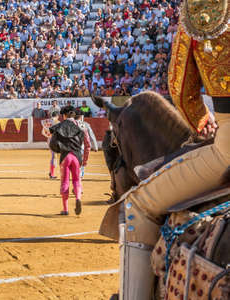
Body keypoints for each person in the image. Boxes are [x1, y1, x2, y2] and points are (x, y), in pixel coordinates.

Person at [99, 2, 230, 299]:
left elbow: (181, 88)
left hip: (227, 147)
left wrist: (201, 122)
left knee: (137, 207)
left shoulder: (205, 9)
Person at [49, 106, 86, 216]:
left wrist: (59, 150)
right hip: (77, 156)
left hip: (65, 156)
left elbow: (52, 144)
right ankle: (78, 197)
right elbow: (83, 141)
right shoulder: (80, 125)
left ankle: (65, 209)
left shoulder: (58, 126)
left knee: (65, 181)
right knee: (76, 180)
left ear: (63, 115)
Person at [75, 111, 97, 178]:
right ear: (82, 117)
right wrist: (95, 146)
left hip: (73, 145)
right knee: (80, 159)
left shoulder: (71, 124)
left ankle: (79, 170)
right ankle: (81, 170)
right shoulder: (85, 124)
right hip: (81, 145)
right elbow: (91, 135)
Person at [41, 111, 60, 179]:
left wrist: (48, 137)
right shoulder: (58, 122)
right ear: (57, 116)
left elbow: (42, 132)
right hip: (55, 141)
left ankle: (51, 172)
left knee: (54, 156)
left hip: (49, 140)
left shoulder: (47, 122)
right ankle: (52, 173)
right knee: (54, 156)